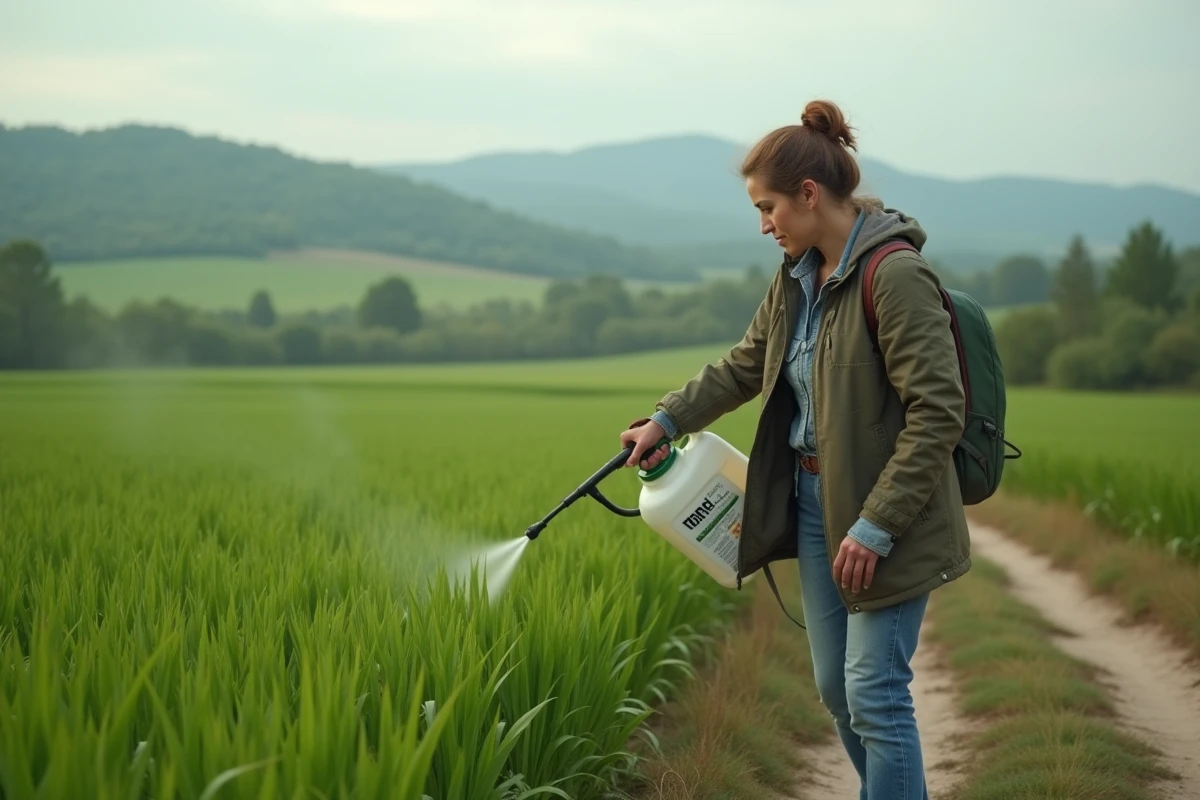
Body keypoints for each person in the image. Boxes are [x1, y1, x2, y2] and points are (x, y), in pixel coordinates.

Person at [620, 99, 970, 800]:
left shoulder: (893, 276)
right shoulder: (795, 278)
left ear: (809, 195)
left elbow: (939, 412)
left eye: (768, 206)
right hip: (813, 508)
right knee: (836, 691)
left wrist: (877, 524)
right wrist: (667, 418)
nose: (763, 225)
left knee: (873, 691)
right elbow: (749, 362)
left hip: (886, 516)